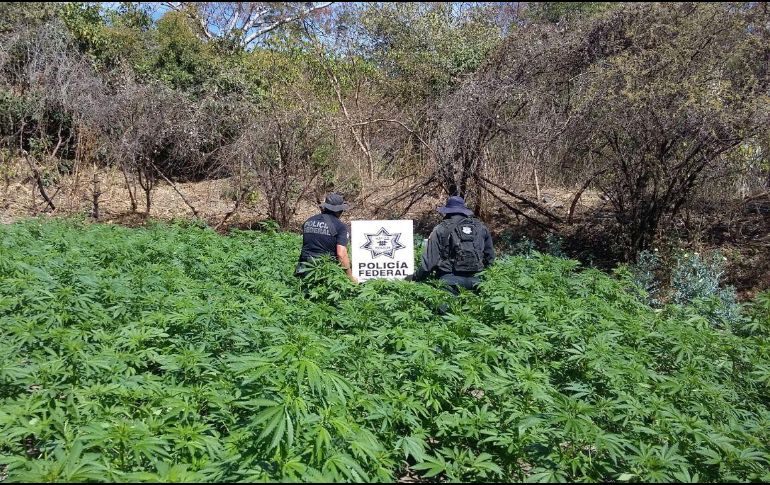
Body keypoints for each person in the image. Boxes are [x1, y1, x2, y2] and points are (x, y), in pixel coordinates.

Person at [412, 196, 494, 295]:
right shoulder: (481, 228)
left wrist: (415, 279)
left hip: (449, 282)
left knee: (447, 310)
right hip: (477, 282)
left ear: (447, 211)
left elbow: (429, 262)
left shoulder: (441, 229)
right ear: (464, 210)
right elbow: (490, 258)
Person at [295, 193, 357, 283]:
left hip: (304, 266)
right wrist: (350, 277)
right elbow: (341, 253)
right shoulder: (340, 226)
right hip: (325, 269)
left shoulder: (309, 221)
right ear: (339, 210)